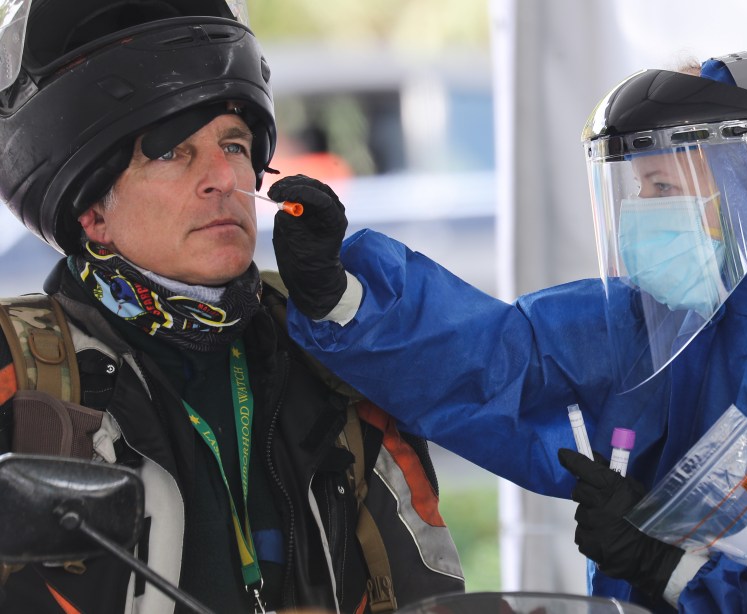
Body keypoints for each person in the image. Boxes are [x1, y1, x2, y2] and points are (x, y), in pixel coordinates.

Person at [273, 52, 747, 612]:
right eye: (633, 189)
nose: (637, 213)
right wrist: (343, 298)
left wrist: (668, 570)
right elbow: (503, 363)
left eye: (662, 188)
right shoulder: (657, 320)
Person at [0, 1, 463, 612]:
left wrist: (348, 310)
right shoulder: (20, 373)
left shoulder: (328, 350)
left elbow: (428, 587)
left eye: (236, 144)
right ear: (93, 214)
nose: (223, 177)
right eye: (171, 152)